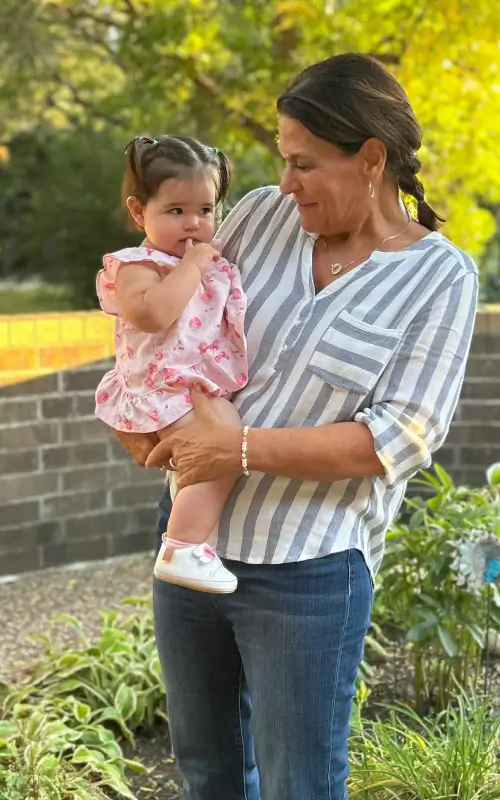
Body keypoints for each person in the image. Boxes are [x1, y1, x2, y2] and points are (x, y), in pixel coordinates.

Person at [139, 54, 476, 799]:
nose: (284, 182)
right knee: (207, 773)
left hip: (308, 573)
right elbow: (169, 316)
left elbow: (401, 436)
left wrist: (240, 446)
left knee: (302, 785)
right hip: (190, 546)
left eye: (304, 163)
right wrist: (140, 411)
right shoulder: (260, 216)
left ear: (372, 159)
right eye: (283, 162)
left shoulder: (439, 277)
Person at [95, 135, 248, 593]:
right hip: (162, 390)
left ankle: (190, 539)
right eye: (176, 211)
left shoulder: (203, 261)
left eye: (205, 210)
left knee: (219, 449)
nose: (193, 224)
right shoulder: (137, 264)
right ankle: (184, 546)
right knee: (224, 448)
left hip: (190, 389)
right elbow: (154, 313)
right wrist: (195, 267)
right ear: (139, 212)